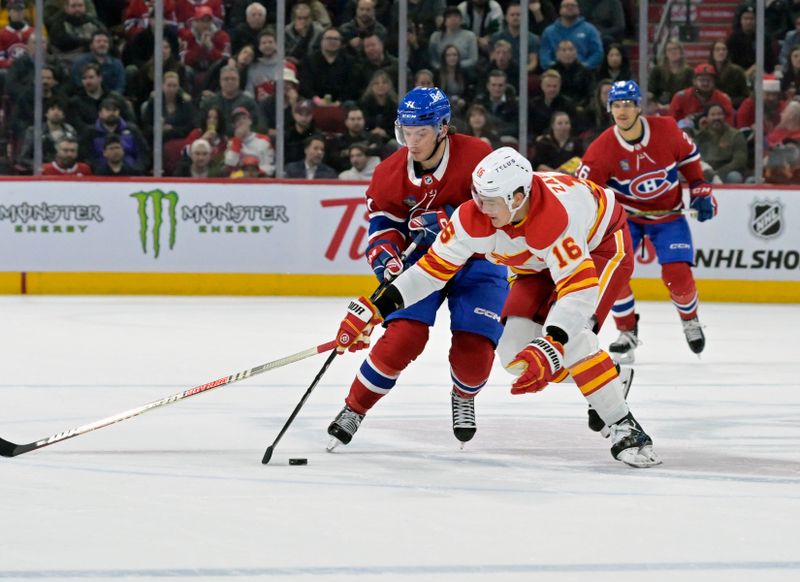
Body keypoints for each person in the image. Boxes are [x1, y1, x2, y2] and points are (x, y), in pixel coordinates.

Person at [334, 147, 660, 468]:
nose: (479, 207)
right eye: (477, 196)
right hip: (534, 263)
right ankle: (609, 379)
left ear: (518, 198)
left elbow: (578, 293)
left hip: (600, 246)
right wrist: (375, 309)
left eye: (489, 200)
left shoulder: (556, 218)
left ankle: (625, 427)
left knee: (575, 339)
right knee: (515, 356)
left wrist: (553, 342)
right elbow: (427, 273)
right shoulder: (472, 217)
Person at [326, 87, 508, 450]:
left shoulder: (478, 155)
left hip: (478, 261)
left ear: (442, 128)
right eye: (405, 132)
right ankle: (355, 408)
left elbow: (499, 210)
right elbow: (383, 228)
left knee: (474, 353)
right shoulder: (389, 172)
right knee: (401, 340)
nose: (411, 141)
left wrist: (451, 219)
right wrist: (386, 254)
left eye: (420, 132)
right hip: (423, 265)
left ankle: (464, 395)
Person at [578, 80, 718, 362]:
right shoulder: (600, 150)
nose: (622, 110)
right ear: (610, 109)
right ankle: (627, 330)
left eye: (628, 104)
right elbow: (586, 194)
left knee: (677, 275)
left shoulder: (666, 129)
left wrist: (700, 186)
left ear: (639, 106)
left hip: (669, 214)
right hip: (625, 219)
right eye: (617, 105)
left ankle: (690, 320)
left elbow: (689, 158)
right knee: (615, 274)